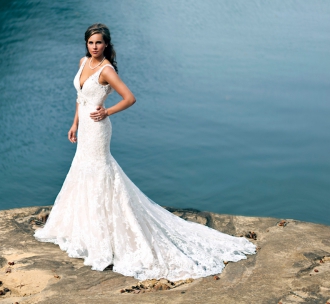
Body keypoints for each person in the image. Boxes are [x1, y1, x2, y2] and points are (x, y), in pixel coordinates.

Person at [34, 23, 256, 281]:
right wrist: (74, 124)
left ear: (106, 45)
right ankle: (84, 228)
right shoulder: (83, 62)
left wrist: (106, 111)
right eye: (91, 42)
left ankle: (107, 234)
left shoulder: (106, 70)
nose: (94, 47)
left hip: (98, 129)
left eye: (99, 43)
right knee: (83, 170)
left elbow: (129, 98)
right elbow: (80, 97)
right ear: (86, 44)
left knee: (100, 172)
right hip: (84, 127)